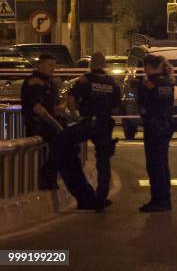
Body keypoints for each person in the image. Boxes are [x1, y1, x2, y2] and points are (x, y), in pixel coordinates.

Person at [66, 52, 121, 211]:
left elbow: (70, 99)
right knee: (103, 161)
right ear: (104, 64)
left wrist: (75, 116)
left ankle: (79, 189)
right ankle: (101, 199)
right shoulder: (112, 82)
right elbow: (116, 106)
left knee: (65, 145)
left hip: (87, 122)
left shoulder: (85, 79)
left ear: (91, 64)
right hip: (104, 124)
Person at [138, 55, 175, 212]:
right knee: (163, 164)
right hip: (166, 126)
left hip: (153, 127)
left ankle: (157, 200)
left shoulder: (148, 84)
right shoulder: (168, 83)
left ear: (149, 66)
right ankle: (165, 199)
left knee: (153, 165)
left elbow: (143, 106)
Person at [20, 54, 63, 190]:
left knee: (66, 141)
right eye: (50, 65)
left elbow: (54, 107)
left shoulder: (48, 82)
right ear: (40, 65)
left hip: (47, 123)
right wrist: (57, 125)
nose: (53, 68)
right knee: (60, 140)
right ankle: (47, 176)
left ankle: (52, 176)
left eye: (54, 65)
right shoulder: (35, 82)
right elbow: (38, 109)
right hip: (38, 124)